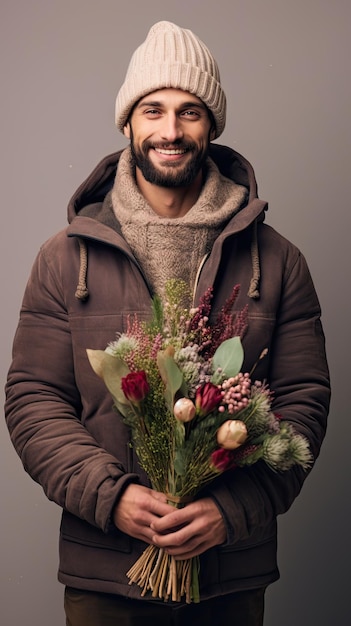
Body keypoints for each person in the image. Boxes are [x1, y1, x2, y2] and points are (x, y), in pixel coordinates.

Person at [5, 20, 330, 626]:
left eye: (191, 112)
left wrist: (231, 512)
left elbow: (304, 405)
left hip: (230, 572)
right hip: (106, 571)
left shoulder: (279, 261)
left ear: (212, 126)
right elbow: (33, 400)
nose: (171, 131)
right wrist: (114, 497)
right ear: (129, 122)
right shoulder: (64, 257)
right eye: (153, 110)